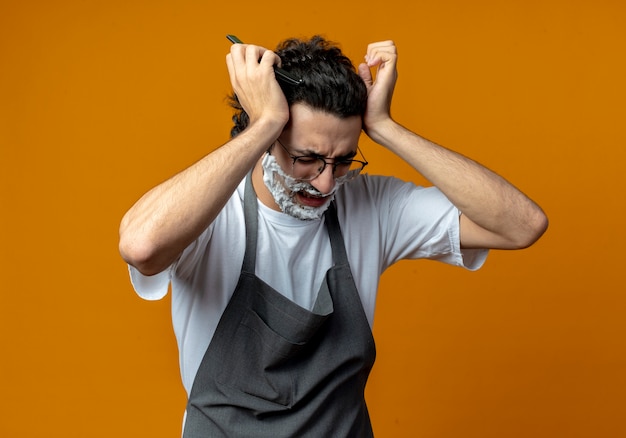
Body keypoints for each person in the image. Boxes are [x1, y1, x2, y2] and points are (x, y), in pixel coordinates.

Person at [119, 35, 548, 437]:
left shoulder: (371, 205)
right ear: (267, 137)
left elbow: (521, 225)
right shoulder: (211, 213)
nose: (325, 184)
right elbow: (142, 246)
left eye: (343, 161)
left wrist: (386, 128)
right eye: (307, 158)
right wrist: (263, 121)